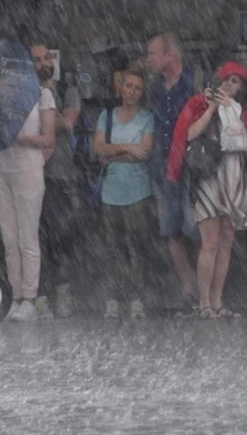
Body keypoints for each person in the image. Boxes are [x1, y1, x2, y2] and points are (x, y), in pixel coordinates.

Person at [167, 62, 247, 319]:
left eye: (236, 81)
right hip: (211, 178)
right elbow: (188, 134)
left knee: (226, 243)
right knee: (209, 243)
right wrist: (212, 107)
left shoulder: (243, 112)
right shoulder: (198, 104)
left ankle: (217, 299)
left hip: (235, 179)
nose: (230, 85)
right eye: (226, 79)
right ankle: (204, 303)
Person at [0, 66, 56, 322]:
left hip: (28, 168)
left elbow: (47, 139)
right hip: (0, 169)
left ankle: (30, 297)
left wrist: (17, 137)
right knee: (10, 240)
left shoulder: (42, 95)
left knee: (28, 238)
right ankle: (16, 297)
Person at [145, 32, 203, 314]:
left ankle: (207, 292)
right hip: (162, 168)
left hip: (191, 167)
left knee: (198, 228)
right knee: (172, 231)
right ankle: (188, 293)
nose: (149, 60)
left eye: (153, 54)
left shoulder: (194, 82)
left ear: (171, 56)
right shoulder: (155, 89)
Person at [92, 68, 156, 320]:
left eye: (137, 88)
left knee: (137, 248)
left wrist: (112, 153)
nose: (132, 92)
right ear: (121, 88)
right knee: (111, 250)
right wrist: (129, 148)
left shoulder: (147, 117)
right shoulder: (106, 116)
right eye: (128, 86)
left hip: (138, 192)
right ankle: (112, 299)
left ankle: (136, 299)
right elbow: (98, 149)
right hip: (110, 193)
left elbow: (146, 153)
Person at [30, 41, 82, 319]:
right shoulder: (22, 92)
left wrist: (39, 122)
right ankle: (37, 296)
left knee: (61, 238)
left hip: (59, 176)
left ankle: (62, 294)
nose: (42, 64)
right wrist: (51, 121)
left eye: (46, 57)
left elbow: (69, 122)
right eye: (36, 60)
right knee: (33, 239)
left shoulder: (67, 90)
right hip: (28, 174)